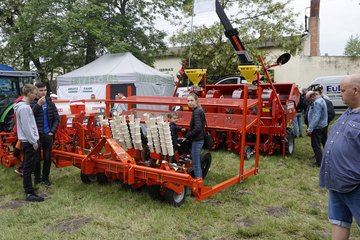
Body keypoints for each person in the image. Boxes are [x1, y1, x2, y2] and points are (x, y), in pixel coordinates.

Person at [319, 74, 360, 240]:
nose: (340, 94)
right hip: (336, 181)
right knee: (338, 221)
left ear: (356, 90)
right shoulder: (347, 113)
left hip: (355, 185)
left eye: (343, 91)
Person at [13, 84, 44, 202]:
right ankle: (29, 193)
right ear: (28, 93)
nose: (36, 97)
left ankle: (29, 189)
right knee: (28, 167)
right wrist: (33, 141)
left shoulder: (23, 106)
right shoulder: (24, 108)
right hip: (29, 142)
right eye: (35, 94)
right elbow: (27, 127)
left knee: (28, 166)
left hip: (28, 141)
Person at [31, 82, 60, 187]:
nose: (43, 93)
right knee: (36, 158)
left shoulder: (50, 103)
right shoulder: (32, 102)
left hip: (48, 135)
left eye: (45, 90)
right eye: (41, 90)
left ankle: (45, 179)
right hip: (36, 135)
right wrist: (38, 104)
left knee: (48, 158)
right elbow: (30, 115)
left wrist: (52, 131)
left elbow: (57, 118)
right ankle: (37, 179)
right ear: (36, 91)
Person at [184, 93, 206, 178]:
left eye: (191, 100)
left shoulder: (196, 112)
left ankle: (198, 184)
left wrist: (188, 135)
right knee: (195, 162)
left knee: (196, 163)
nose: (189, 102)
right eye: (188, 101)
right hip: (198, 139)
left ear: (196, 101)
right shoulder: (198, 110)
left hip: (197, 140)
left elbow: (198, 128)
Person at [305, 90, 328, 167]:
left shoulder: (317, 103)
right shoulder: (321, 99)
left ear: (312, 96)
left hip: (317, 128)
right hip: (323, 125)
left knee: (315, 145)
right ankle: (327, 158)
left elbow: (316, 117)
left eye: (308, 99)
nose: (308, 101)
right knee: (324, 142)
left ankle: (319, 163)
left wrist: (310, 129)